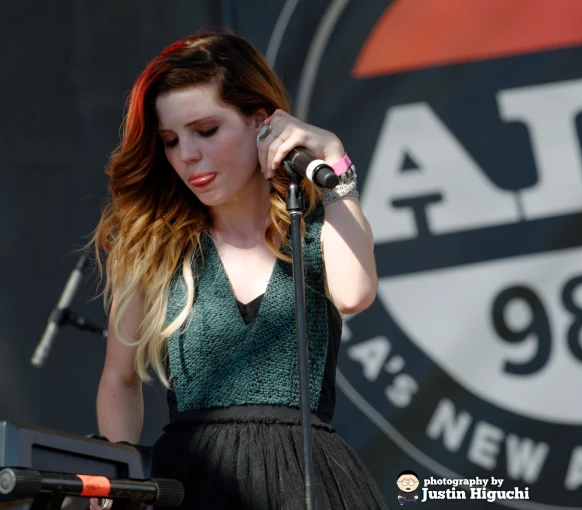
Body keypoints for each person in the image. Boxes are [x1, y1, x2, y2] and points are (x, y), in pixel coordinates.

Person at [89, 29, 387, 509]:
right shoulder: (157, 245)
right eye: (169, 140)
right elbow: (119, 378)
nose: (187, 155)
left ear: (261, 122)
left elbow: (354, 294)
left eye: (206, 131)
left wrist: (333, 159)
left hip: (307, 479)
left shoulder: (315, 224)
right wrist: (119, 475)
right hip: (191, 481)